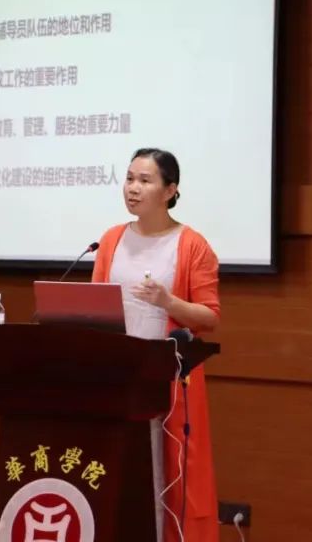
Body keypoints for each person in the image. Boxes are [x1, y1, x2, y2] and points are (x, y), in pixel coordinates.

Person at [90, 148, 220, 542]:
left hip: (163, 382)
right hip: (115, 376)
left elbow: (210, 317)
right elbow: (95, 303)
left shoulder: (191, 244)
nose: (132, 188)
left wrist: (168, 302)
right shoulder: (111, 239)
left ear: (169, 191)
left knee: (164, 475)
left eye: (145, 180)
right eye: (129, 178)